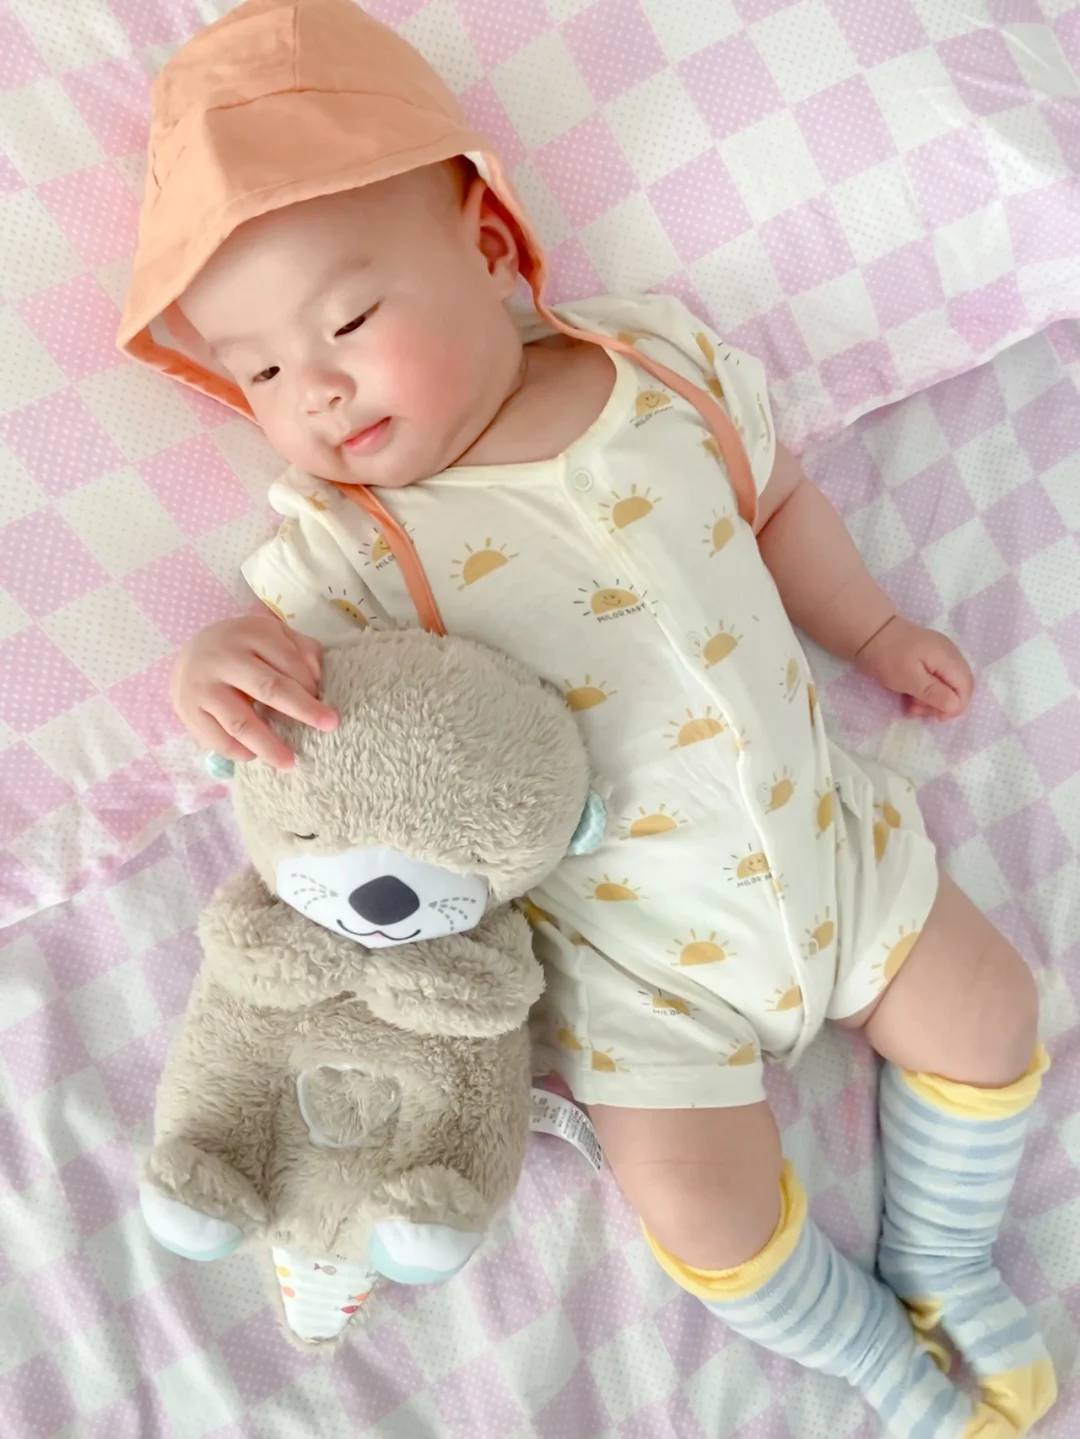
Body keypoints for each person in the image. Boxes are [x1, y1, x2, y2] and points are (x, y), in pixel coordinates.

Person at [119, 2, 1054, 1432]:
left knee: (989, 1013)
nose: (316, 386)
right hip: (632, 967)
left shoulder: (654, 368)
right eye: (258, 371)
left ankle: (942, 1257)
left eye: (348, 321)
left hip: (833, 849)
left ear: (490, 246)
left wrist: (871, 628)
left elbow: (776, 501)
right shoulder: (352, 543)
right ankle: (873, 1356)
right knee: (700, 1200)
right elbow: (290, 711)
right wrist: (216, 665)